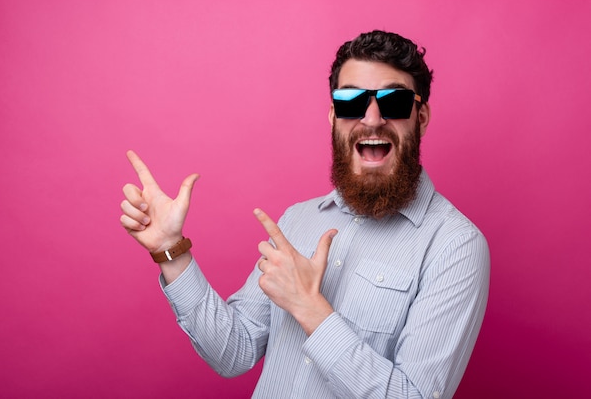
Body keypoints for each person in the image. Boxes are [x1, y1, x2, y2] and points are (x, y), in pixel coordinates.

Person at [120, 30, 490, 399]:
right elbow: (234, 351)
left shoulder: (456, 246)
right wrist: (171, 250)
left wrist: (311, 309)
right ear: (333, 117)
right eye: (351, 102)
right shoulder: (297, 220)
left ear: (420, 116)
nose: (372, 119)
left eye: (394, 101)